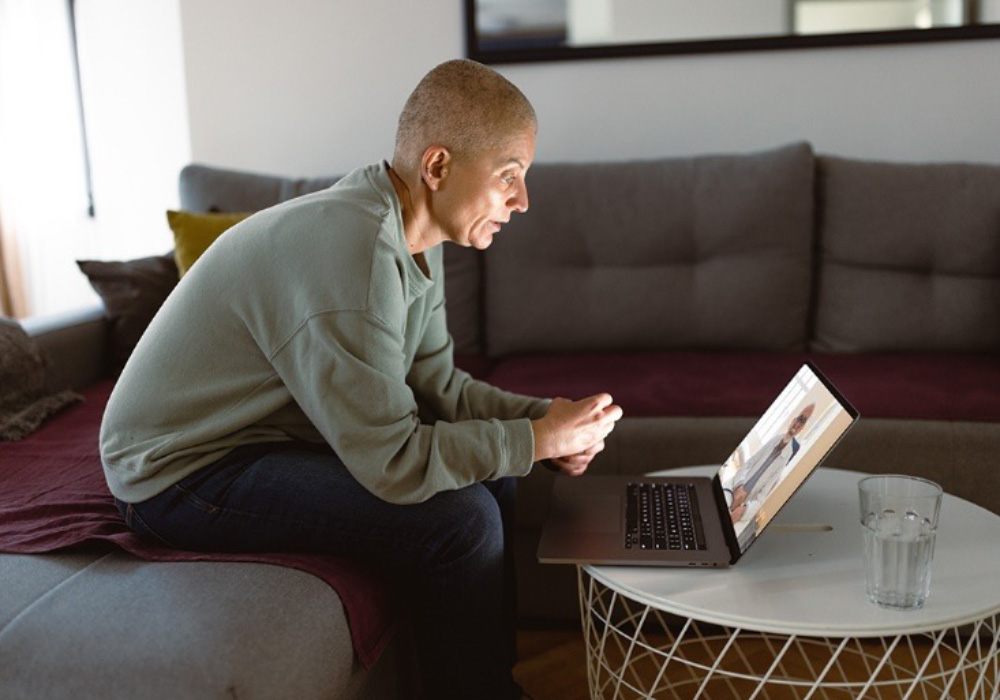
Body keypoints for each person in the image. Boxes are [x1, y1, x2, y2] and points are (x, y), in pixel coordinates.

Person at [99, 59, 622, 700]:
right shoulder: (356, 256)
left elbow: (440, 389)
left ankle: (488, 682)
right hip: (177, 472)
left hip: (255, 439)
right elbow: (394, 461)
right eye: (509, 177)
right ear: (437, 168)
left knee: (496, 475)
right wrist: (535, 441)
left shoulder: (412, 239)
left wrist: (546, 421)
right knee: (462, 523)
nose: (523, 201)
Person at [728, 403, 815, 528]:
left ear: (802, 429)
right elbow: (749, 463)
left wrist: (744, 510)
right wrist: (739, 486)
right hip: (734, 489)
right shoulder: (775, 439)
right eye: (798, 420)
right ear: (793, 420)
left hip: (743, 504)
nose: (797, 425)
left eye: (802, 423)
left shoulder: (785, 458)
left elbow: (761, 497)